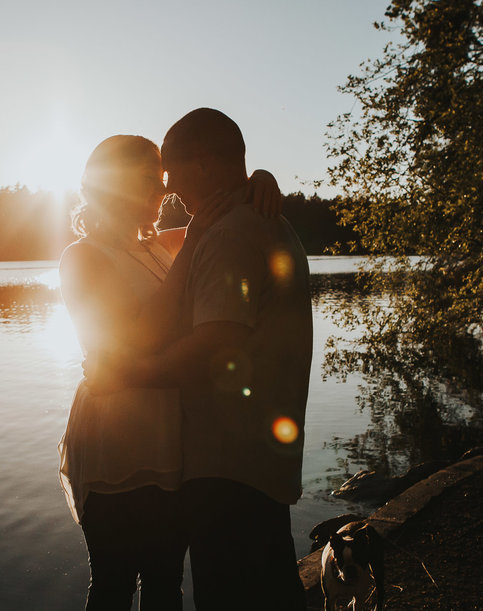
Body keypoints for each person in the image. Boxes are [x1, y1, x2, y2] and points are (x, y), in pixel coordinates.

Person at [88, 109, 312, 609]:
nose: (167, 190)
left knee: (225, 591)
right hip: (185, 449)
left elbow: (215, 344)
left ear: (206, 165)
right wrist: (253, 178)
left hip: (228, 461)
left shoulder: (225, 232)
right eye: (153, 179)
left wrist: (132, 372)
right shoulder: (235, 226)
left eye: (170, 174)